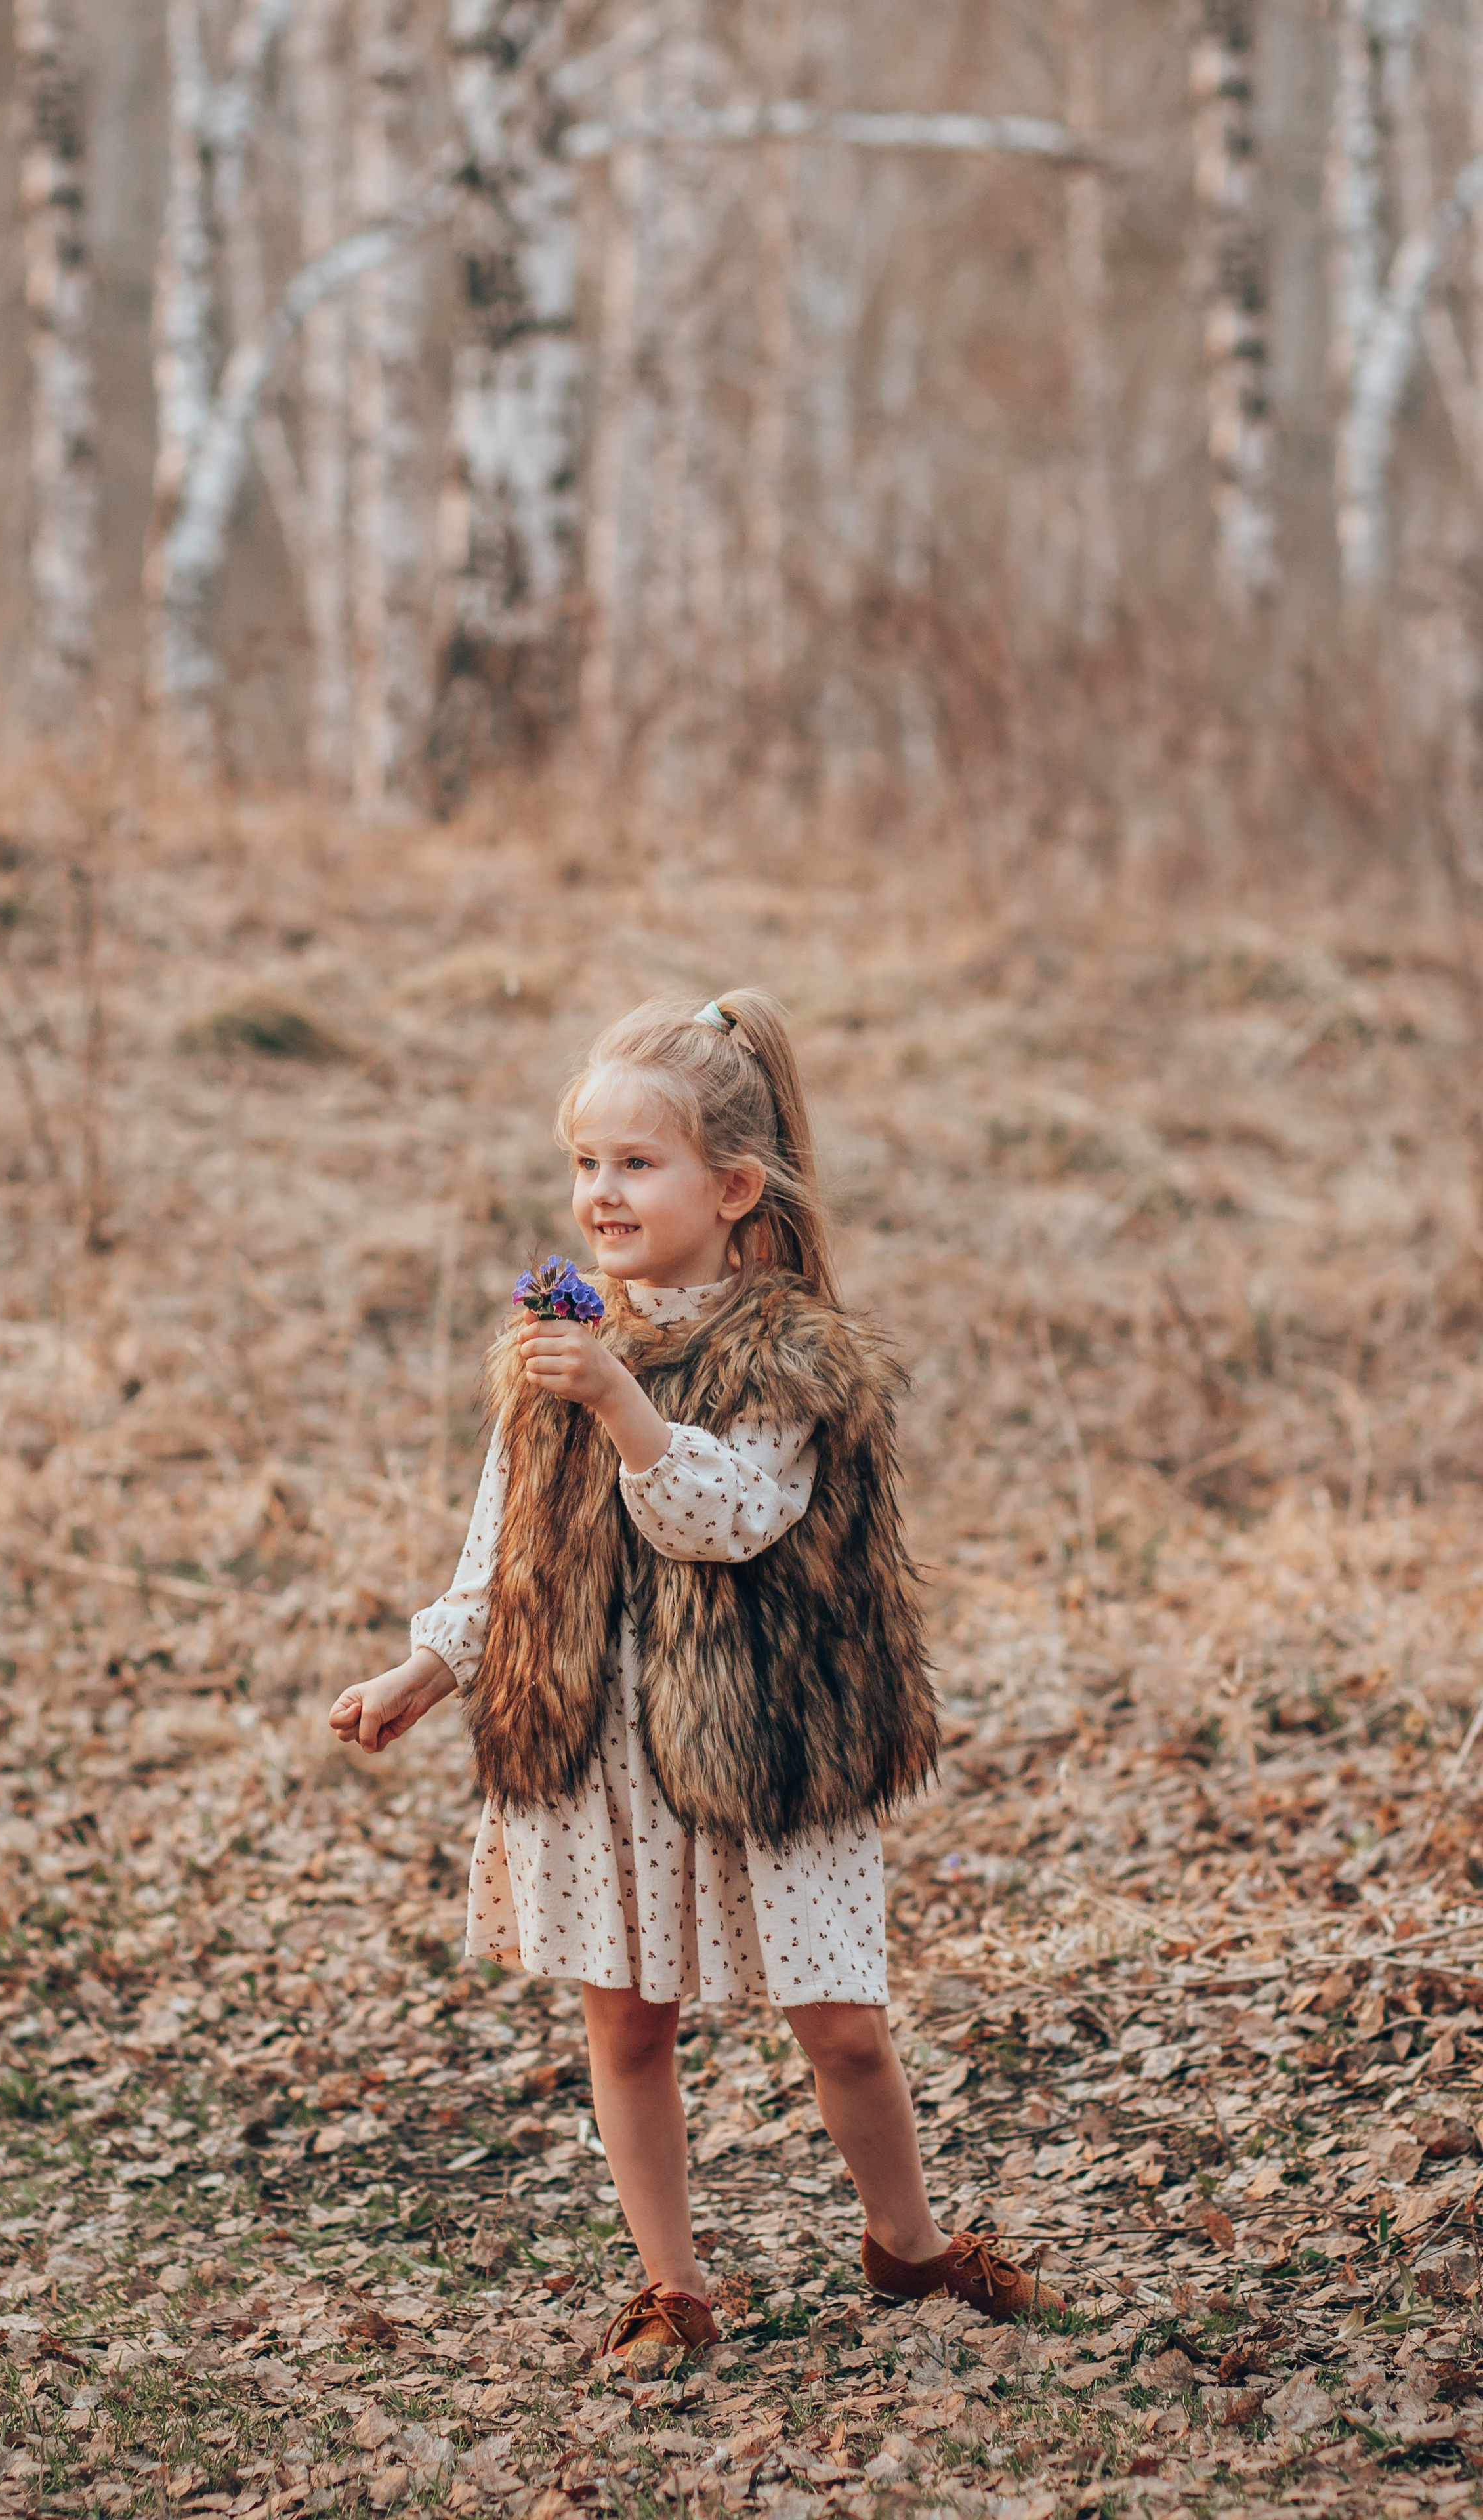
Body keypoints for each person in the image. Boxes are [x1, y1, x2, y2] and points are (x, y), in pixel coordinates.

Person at [329, 990, 1065, 2366]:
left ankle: (906, 2241)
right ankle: (673, 2287)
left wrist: (620, 1398)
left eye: (636, 1162)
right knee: (625, 2021)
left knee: (840, 2023)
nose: (600, 1193)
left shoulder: (790, 1355)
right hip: (600, 1745)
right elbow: (503, 1545)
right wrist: (428, 1664)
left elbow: (725, 1517)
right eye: (584, 1163)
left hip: (760, 1745)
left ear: (732, 1188)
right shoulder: (550, 1351)